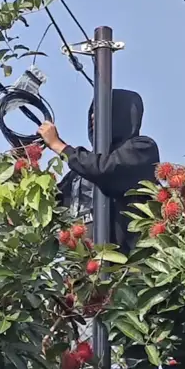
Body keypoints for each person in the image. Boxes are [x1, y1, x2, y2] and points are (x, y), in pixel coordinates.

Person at [38, 89, 160, 251]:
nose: (93, 117)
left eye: (101, 111)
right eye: (92, 111)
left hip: (125, 268)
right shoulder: (78, 173)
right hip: (82, 268)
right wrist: (24, 164)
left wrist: (59, 146)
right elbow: (52, 203)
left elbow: (105, 169)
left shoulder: (142, 149)